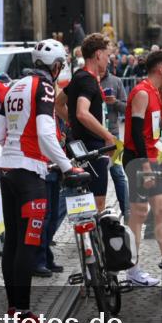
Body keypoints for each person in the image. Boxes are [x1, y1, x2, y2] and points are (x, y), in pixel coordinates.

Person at [0, 40, 78, 323]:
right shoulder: (45, 87)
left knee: (13, 242)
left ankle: (13, 309)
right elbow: (44, 132)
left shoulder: (13, 86)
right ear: (56, 67)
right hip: (29, 174)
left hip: (8, 170)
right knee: (28, 243)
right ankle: (25, 313)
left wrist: (17, 146)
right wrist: (67, 166)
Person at [122, 50, 162, 287]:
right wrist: (146, 166)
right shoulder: (141, 92)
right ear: (161, 69)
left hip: (151, 158)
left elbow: (155, 128)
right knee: (139, 213)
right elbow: (137, 133)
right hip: (139, 160)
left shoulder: (155, 92)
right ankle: (132, 269)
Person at [57, 33, 117, 212]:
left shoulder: (79, 76)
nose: (108, 60)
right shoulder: (88, 80)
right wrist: (107, 136)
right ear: (98, 54)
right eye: (107, 55)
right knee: (97, 204)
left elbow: (58, 104)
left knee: (80, 201)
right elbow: (82, 113)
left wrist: (72, 122)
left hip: (79, 146)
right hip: (92, 149)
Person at [100, 66, 130, 221]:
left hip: (113, 135)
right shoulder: (88, 79)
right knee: (96, 175)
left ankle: (127, 212)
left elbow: (126, 108)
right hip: (94, 135)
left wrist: (115, 102)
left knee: (117, 172)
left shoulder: (116, 81)